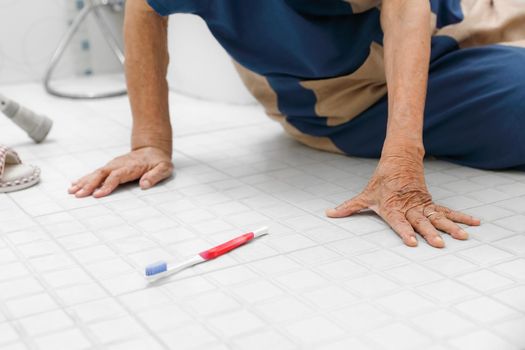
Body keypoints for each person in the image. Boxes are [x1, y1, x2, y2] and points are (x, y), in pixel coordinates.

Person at [69, 0, 525, 248]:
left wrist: (403, 161)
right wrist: (149, 140)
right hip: (355, 96)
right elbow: (144, 6)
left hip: (453, 20)